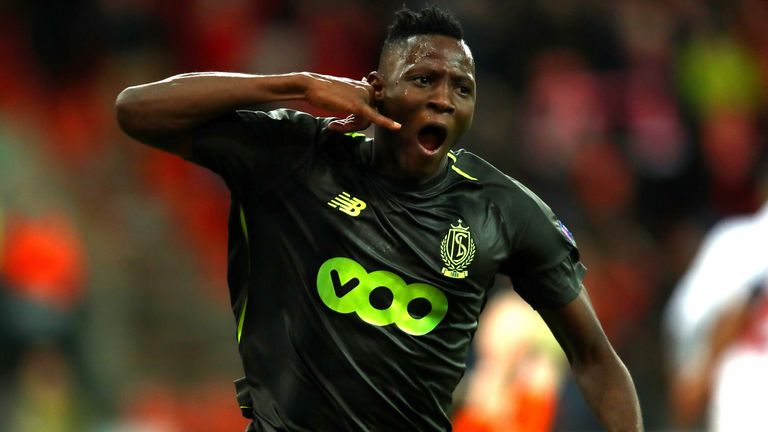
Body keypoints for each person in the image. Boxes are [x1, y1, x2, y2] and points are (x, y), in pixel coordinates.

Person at [115, 5, 642, 431]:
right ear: (376, 87)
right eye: (423, 80)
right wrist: (295, 84)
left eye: (462, 89)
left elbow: (595, 357)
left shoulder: (503, 210)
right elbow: (136, 110)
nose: (442, 100)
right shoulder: (296, 157)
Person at [664, 200, 768, 430]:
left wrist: (695, 373)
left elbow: (684, 322)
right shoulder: (736, 243)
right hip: (744, 391)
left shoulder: (734, 241)